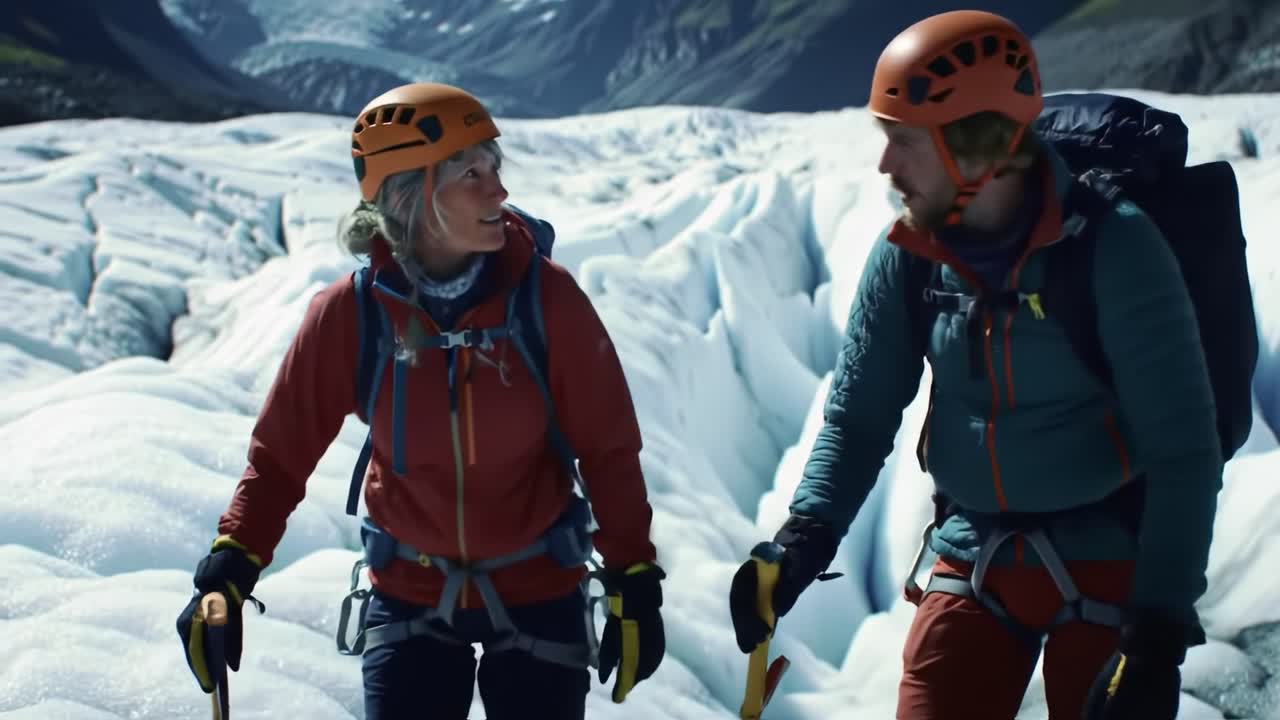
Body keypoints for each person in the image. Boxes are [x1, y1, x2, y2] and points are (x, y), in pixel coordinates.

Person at [729, 11, 1225, 720]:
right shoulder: (909, 256)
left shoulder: (1114, 249)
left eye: (904, 142)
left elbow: (1183, 449)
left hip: (1111, 549)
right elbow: (859, 417)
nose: (885, 165)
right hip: (977, 548)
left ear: (978, 145)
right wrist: (801, 540)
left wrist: (1157, 635)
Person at [175, 82, 667, 720]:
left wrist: (633, 576)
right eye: (471, 173)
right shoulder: (351, 315)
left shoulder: (547, 300)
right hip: (409, 593)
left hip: (540, 586)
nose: (499, 190)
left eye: (496, 168)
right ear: (407, 195)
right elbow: (280, 458)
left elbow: (608, 448)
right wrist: (230, 566)